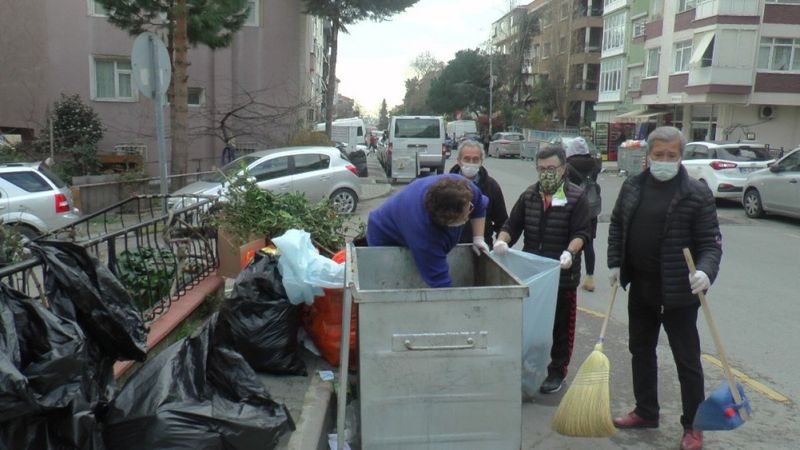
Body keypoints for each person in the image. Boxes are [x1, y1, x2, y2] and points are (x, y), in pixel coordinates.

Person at [607, 126, 722, 450]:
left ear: (681, 156)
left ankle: (693, 426)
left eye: (672, 155)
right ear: (649, 155)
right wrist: (615, 262)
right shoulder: (632, 186)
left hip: (680, 293)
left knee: (687, 361)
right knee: (640, 351)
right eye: (659, 155)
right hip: (642, 288)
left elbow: (711, 245)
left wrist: (705, 272)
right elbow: (617, 225)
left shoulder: (695, 193)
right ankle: (646, 411)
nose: (665, 160)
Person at [492, 144, 591, 394]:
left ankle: (557, 370)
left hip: (562, 274)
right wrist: (502, 241)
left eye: (552, 168)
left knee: (560, 326)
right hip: (534, 274)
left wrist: (570, 252)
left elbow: (582, 232)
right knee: (532, 324)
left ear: (563, 168)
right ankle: (529, 366)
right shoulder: (529, 195)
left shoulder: (576, 197)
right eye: (542, 168)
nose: (547, 172)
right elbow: (511, 225)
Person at [367, 174, 489, 288]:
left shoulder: (465, 188)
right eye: (463, 217)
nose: (467, 218)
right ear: (444, 220)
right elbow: (440, 282)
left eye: (469, 210)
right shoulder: (424, 233)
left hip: (409, 216)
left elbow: (479, 205)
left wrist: (478, 238)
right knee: (398, 283)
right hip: (385, 234)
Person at [449, 140, 507, 247]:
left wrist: (500, 243)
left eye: (475, 159)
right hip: (451, 247)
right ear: (459, 161)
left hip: (481, 248)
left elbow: (502, 222)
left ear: (481, 161)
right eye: (466, 159)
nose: (471, 162)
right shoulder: (445, 186)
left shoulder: (492, 186)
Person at [565, 137, 602, 292]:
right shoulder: (594, 165)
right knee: (589, 243)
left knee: (572, 240)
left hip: (573, 207)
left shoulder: (567, 166)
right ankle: (590, 277)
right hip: (591, 207)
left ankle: (569, 273)